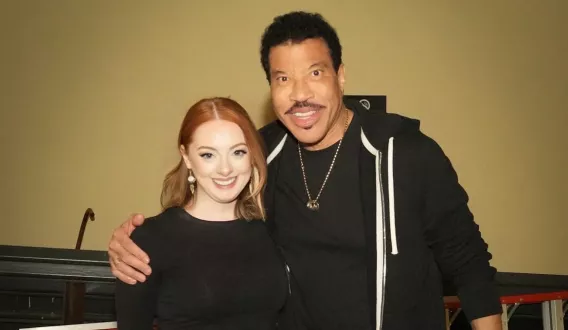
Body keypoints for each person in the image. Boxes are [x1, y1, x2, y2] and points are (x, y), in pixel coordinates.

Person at [108, 11, 503, 330]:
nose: (300, 94)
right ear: (270, 87)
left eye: (315, 73)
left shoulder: (408, 154)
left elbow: (470, 266)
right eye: (283, 79)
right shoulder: (263, 156)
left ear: (340, 75)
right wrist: (130, 243)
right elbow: (204, 211)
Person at [113, 97, 289, 330]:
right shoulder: (148, 241)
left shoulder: (271, 229)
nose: (225, 169)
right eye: (208, 155)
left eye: (237, 152)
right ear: (187, 157)